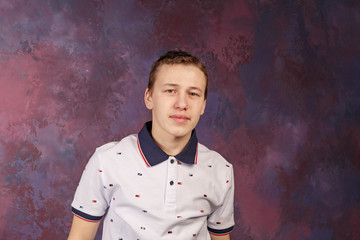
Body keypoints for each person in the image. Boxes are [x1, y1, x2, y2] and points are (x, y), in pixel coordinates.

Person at [67, 50, 235, 240]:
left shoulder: (221, 170)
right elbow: (80, 236)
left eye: (193, 93)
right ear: (149, 97)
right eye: (170, 90)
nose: (182, 103)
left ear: (203, 105)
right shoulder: (107, 161)